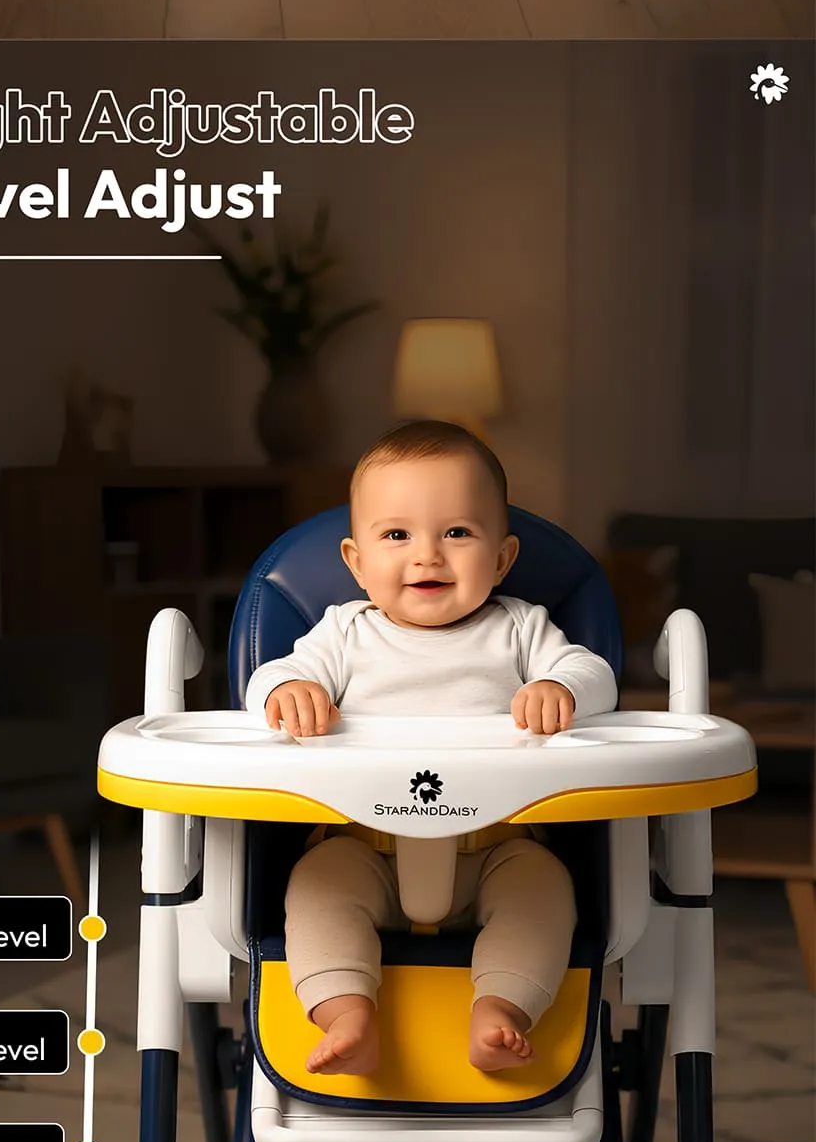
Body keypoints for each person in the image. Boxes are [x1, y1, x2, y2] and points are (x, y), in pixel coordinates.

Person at [247, 416, 616, 1080]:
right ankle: (347, 1015)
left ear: (501, 558)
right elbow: (269, 678)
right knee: (316, 885)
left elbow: (595, 675)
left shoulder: (521, 628)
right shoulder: (343, 634)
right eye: (396, 535)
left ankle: (500, 1010)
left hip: (497, 846)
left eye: (457, 533)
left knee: (545, 889)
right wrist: (290, 690)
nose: (428, 556)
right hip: (365, 845)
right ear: (356, 562)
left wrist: (561, 687)